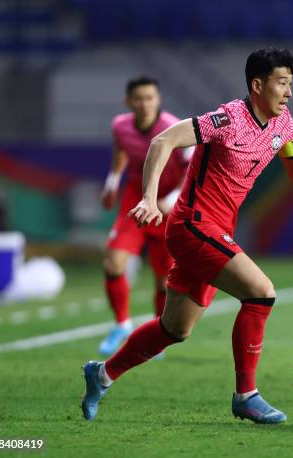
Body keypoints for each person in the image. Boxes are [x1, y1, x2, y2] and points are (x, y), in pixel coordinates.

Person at [82, 47, 293, 424]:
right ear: (258, 85)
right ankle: (247, 394)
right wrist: (149, 197)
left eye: (291, 84)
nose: (289, 92)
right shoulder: (227, 118)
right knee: (262, 292)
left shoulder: (283, 124)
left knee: (174, 328)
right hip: (192, 224)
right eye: (282, 83)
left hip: (216, 230)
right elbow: (162, 141)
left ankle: (101, 374)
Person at [98, 76, 191, 356]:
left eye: (149, 97)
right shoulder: (120, 126)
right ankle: (121, 324)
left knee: (164, 280)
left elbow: (192, 165)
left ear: (158, 99)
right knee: (114, 262)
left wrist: (173, 198)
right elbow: (120, 151)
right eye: (138, 98)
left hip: (166, 207)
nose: (144, 103)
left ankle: (155, 333)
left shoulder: (175, 128)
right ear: (129, 102)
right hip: (136, 201)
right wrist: (112, 181)